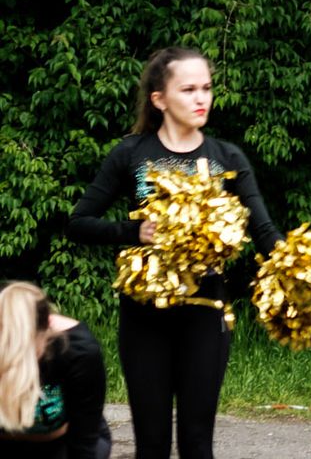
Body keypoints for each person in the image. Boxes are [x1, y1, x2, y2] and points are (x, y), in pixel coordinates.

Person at [67, 46, 284, 459]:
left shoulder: (227, 157)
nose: (201, 98)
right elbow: (79, 223)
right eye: (188, 90)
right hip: (144, 315)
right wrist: (135, 231)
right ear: (159, 99)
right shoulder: (131, 153)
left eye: (206, 88)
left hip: (205, 310)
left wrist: (298, 268)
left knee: (197, 443)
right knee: (151, 445)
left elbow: (263, 231)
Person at [0, 281, 109, 459]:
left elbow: (83, 444)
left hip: (63, 444)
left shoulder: (78, 350)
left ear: (46, 331)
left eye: (25, 349)